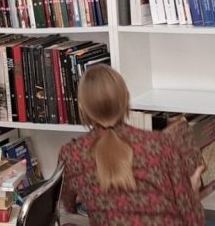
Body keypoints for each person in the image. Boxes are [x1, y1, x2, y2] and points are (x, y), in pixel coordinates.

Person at [58, 64, 205, 225]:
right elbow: (193, 220)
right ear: (127, 98)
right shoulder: (161, 145)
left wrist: (95, 189)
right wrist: (192, 191)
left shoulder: (71, 154)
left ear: (82, 107)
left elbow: (68, 205)